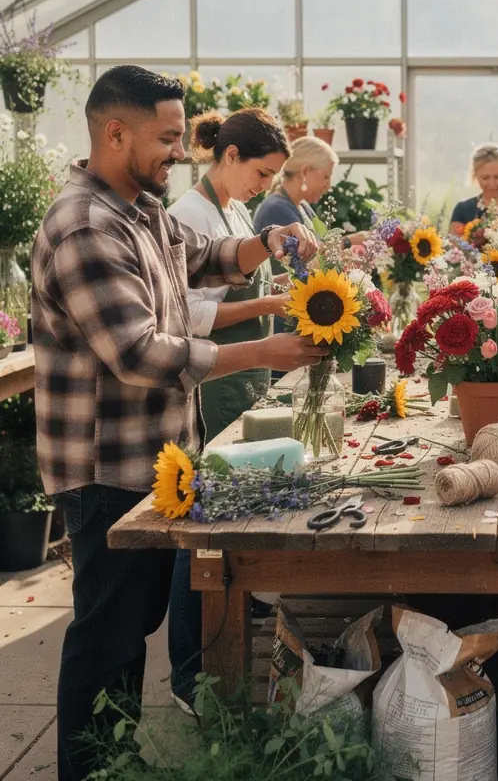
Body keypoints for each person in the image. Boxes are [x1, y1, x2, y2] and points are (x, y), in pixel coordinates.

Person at [32, 66, 326, 781]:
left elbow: (205, 257)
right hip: (105, 466)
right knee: (106, 636)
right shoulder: (84, 225)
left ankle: (112, 759)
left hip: (150, 457)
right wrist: (264, 351)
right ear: (115, 132)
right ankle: (89, 769)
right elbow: (137, 354)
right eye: (167, 138)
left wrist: (269, 243)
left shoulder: (140, 209)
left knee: (131, 629)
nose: (180, 150)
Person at [165, 108, 292, 711]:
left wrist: (276, 291)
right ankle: (190, 673)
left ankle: (234, 623)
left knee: (230, 516)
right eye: (261, 173)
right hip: (212, 380)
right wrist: (265, 307)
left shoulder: (234, 209)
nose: (265, 187)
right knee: (203, 532)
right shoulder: (188, 215)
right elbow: (186, 317)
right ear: (231, 155)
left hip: (241, 375)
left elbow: (236, 282)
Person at [253, 136, 364, 337]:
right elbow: (306, 264)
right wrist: (348, 242)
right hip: (283, 325)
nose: (328, 185)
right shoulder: (276, 209)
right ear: (305, 171)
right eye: (326, 176)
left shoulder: (302, 206)